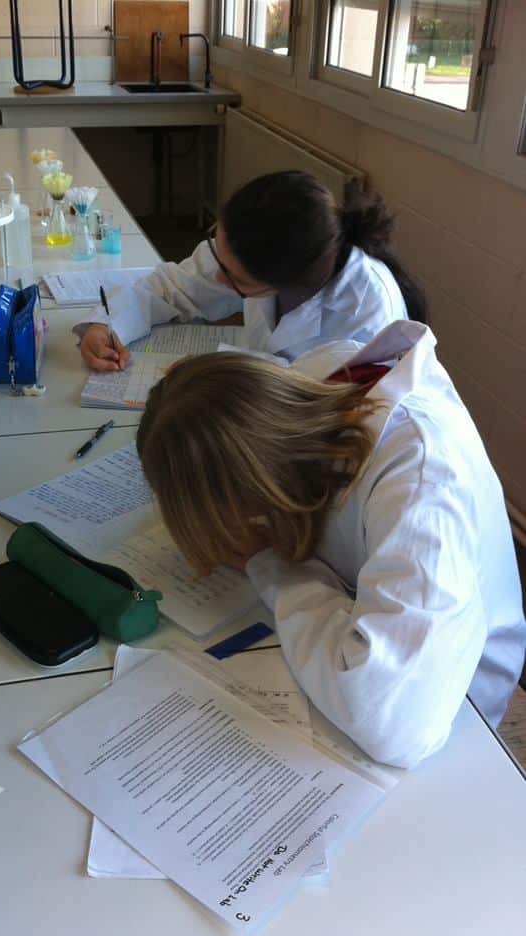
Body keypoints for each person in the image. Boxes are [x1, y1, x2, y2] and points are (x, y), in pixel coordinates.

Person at [135, 320, 526, 769]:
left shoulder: (419, 481)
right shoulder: (308, 393)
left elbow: (394, 723)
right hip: (366, 618)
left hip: (452, 703)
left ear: (253, 488)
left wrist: (272, 567)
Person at [77, 171, 426, 372]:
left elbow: (318, 413)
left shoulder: (366, 318)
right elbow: (172, 288)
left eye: (234, 280)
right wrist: (106, 326)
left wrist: (219, 375)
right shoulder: (262, 243)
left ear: (285, 283)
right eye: (218, 252)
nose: (216, 278)